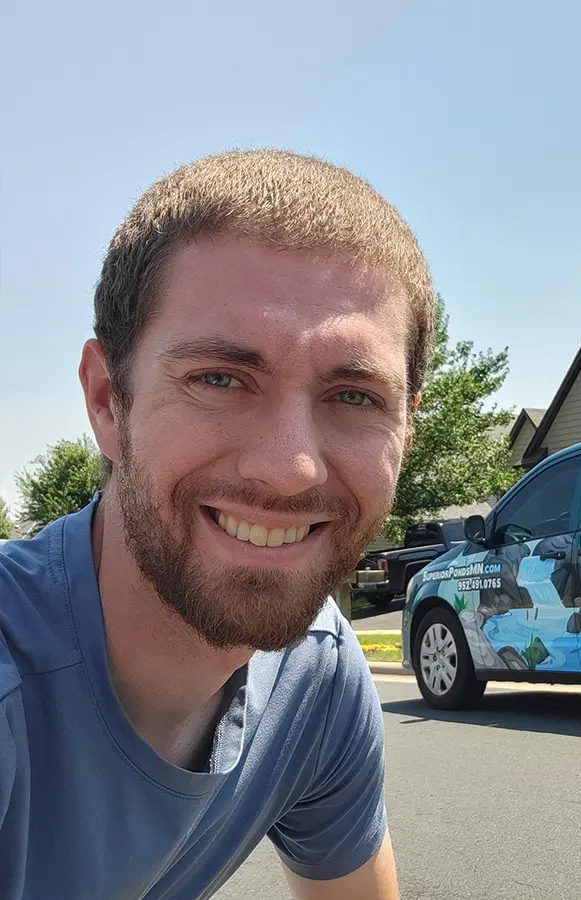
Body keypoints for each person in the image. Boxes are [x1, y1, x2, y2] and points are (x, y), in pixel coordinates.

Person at [0, 149, 435, 899]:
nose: (290, 467)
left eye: (355, 396)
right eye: (220, 379)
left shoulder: (316, 678)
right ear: (109, 402)